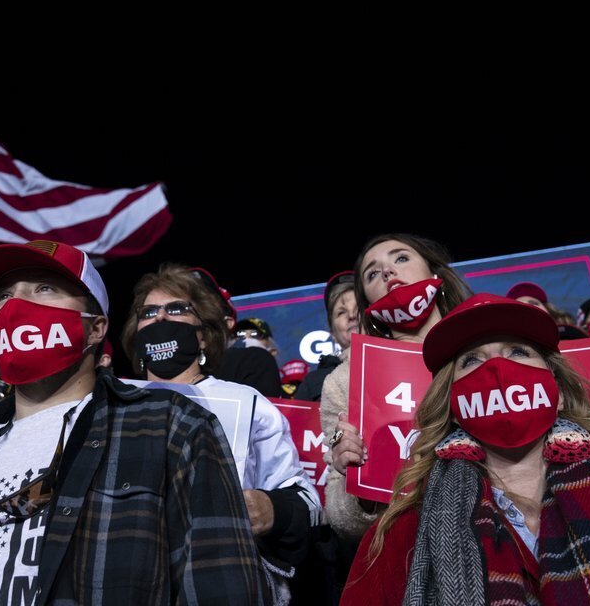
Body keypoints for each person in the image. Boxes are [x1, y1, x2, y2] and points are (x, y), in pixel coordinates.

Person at [0, 240, 268, 606]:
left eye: (44, 288)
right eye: (3, 295)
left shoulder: (170, 426)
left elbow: (222, 589)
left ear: (96, 328)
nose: (16, 306)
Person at [340, 293, 590, 606]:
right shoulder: (402, 532)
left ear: (558, 391)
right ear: (451, 402)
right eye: (471, 360)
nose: (498, 368)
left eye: (518, 351)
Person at [120, 264, 321, 598]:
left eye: (176, 308)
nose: (160, 318)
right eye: (148, 312)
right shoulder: (109, 406)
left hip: (222, 584)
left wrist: (271, 508)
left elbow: (306, 500)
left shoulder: (246, 402)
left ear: (203, 334)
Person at [322, 233, 471, 543]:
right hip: (414, 547)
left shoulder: (486, 343)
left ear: (434, 273)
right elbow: (341, 516)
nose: (388, 272)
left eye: (401, 258)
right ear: (367, 301)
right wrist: (342, 455)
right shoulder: (344, 380)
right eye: (372, 273)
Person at [190, 266, 284, 397]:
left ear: (227, 322)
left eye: (203, 304)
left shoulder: (252, 361)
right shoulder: (156, 365)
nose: (192, 309)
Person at [296, 271, 358, 402]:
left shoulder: (395, 364)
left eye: (359, 308)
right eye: (341, 312)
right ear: (332, 333)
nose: (352, 316)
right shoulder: (312, 383)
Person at [506, 281, 587, 339]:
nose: (529, 307)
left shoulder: (575, 334)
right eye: (521, 306)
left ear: (549, 310)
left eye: (534, 303)